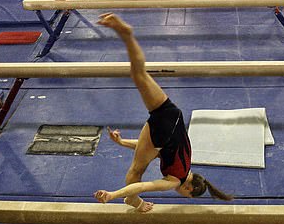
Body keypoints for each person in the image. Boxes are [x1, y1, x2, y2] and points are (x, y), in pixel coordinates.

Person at [93, 13, 233, 212]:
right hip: (162, 131)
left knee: (138, 74)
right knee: (136, 172)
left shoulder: (186, 165)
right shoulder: (175, 180)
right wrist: (113, 194)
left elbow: (150, 150)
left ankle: (127, 35)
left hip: (173, 113)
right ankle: (135, 202)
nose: (180, 194)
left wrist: (122, 142)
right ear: (188, 188)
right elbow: (143, 185)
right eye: (185, 196)